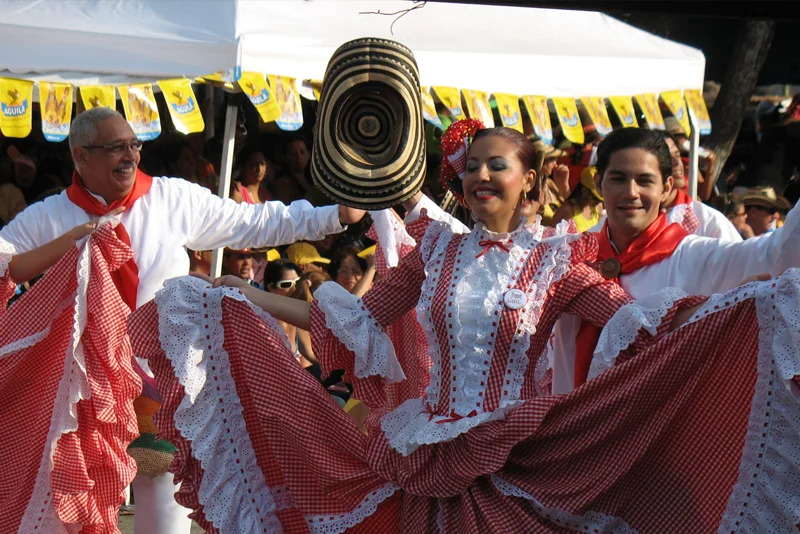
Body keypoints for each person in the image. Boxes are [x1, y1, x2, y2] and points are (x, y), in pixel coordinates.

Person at [130, 121, 798, 532]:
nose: (480, 175)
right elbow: (356, 323)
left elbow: (640, 331)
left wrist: (742, 316)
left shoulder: (556, 262)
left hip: (518, 458)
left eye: (496, 165)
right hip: (426, 451)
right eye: (472, 164)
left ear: (529, 181)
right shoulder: (438, 254)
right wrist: (247, 293)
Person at [0, 107, 365, 534]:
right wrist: (69, 243)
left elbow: (252, 222)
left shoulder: (170, 198)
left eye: (134, 145)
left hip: (163, 384)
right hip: (86, 393)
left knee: (164, 514)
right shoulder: (51, 216)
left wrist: (333, 216)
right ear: (81, 156)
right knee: (77, 509)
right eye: (116, 147)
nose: (130, 156)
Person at [549, 128, 800, 394]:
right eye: (618, 179)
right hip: (573, 427)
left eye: (645, 181)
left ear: (666, 187)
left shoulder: (695, 256)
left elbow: (779, 254)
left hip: (655, 431)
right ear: (599, 183)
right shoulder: (567, 256)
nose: (631, 192)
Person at [550, 166, 603, 232]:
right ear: (584, 191)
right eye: (595, 198)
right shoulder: (567, 211)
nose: (598, 202)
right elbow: (551, 236)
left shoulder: (598, 208)